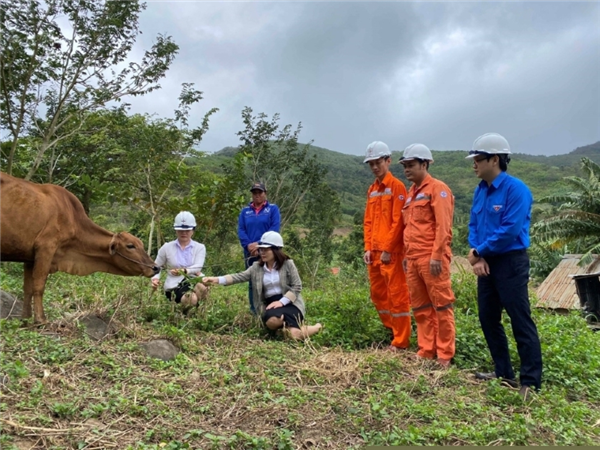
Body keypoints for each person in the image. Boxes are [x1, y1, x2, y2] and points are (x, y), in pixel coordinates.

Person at [466, 132, 543, 399]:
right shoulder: (481, 190)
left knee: (520, 319)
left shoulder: (516, 189)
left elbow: (510, 230)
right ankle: (503, 372)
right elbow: (474, 226)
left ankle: (530, 381)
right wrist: (479, 256)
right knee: (488, 318)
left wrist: (478, 251)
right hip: (487, 261)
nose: (473, 164)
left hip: (511, 261)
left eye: (478, 159)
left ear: (494, 159)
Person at [203, 231, 322, 340]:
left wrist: (282, 302)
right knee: (272, 321)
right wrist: (216, 280)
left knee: (294, 335)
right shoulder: (256, 267)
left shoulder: (288, 264)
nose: (262, 253)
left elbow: (297, 286)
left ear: (276, 250)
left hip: (290, 302)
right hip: (270, 305)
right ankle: (283, 329)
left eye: (266, 249)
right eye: (261, 249)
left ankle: (317, 327)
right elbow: (238, 277)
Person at [400, 144, 456, 368]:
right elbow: (408, 228)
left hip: (431, 258)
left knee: (441, 305)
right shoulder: (411, 193)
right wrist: (406, 255)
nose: (407, 170)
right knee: (421, 307)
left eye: (411, 165)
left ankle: (444, 353)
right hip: (412, 259)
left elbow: (444, 226)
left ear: (425, 164)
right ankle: (426, 349)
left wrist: (436, 255)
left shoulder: (438, 189)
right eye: (405, 166)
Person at [363, 141, 412, 351]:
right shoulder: (372, 189)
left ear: (388, 161)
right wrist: (367, 247)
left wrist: (388, 249)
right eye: (371, 163)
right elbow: (368, 221)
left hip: (390, 253)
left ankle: (401, 341)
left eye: (378, 162)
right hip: (374, 252)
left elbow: (398, 222)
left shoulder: (397, 187)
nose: (375, 167)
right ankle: (392, 330)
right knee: (378, 294)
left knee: (397, 295)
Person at [238, 182, 281, 314]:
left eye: (260, 192)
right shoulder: (245, 212)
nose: (257, 195)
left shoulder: (272, 209)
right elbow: (241, 230)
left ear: (265, 193)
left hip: (269, 251)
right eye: (254, 193)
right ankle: (255, 310)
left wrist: (259, 244)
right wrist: (249, 245)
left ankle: (273, 308)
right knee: (253, 280)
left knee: (271, 279)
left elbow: (274, 228)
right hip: (250, 252)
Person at [151, 211, 207, 311]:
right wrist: (155, 279)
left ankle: (199, 313)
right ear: (176, 230)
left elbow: (198, 266)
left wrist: (184, 271)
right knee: (191, 298)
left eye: (187, 230)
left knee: (203, 288)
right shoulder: (167, 247)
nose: (183, 233)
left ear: (193, 230)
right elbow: (156, 266)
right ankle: (183, 314)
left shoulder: (200, 247)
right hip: (174, 285)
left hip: (193, 279)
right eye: (180, 230)